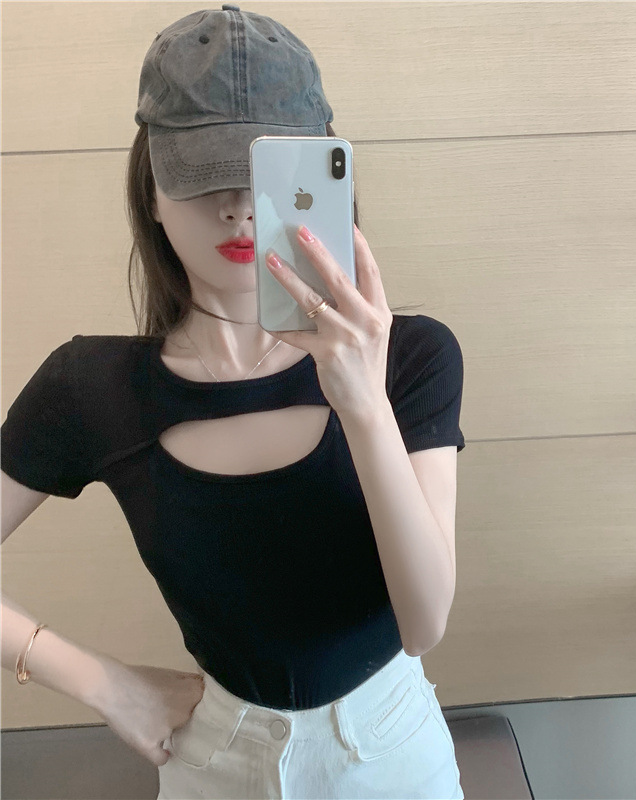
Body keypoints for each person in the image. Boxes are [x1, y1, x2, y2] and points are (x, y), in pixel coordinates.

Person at [1, 5, 466, 798]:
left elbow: (424, 624)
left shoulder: (412, 358)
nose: (238, 205)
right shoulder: (91, 387)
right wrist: (102, 683)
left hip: (393, 755)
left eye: (269, 175)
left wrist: (362, 400)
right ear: (152, 193)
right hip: (212, 761)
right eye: (203, 173)